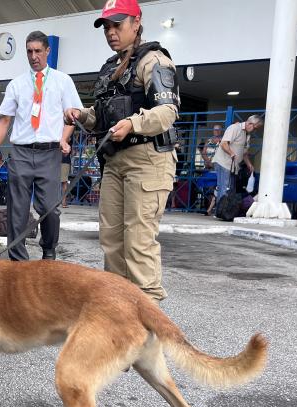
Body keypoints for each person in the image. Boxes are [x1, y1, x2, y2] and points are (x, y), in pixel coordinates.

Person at [64, 0, 178, 302]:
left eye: (118, 24)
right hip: (114, 162)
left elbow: (167, 111)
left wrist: (134, 123)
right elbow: (103, 117)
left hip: (148, 161)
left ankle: (149, 332)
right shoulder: (110, 68)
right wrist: (82, 114)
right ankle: (117, 319)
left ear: (136, 22)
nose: (111, 32)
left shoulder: (153, 60)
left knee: (138, 244)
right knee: (112, 242)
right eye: (107, 27)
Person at [0, 31, 83, 260]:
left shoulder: (63, 81)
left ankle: (48, 252)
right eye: (29, 51)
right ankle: (19, 262)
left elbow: (73, 116)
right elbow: (4, 120)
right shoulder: (16, 84)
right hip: (20, 153)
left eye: (38, 51)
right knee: (16, 211)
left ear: (47, 51)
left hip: (49, 153)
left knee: (50, 209)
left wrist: (64, 138)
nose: (33, 56)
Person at [210, 115, 262, 210]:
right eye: (255, 128)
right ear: (250, 123)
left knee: (230, 189)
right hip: (224, 162)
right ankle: (221, 211)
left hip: (233, 166)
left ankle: (225, 211)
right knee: (224, 188)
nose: (255, 130)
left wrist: (249, 165)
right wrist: (232, 153)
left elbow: (244, 153)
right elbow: (223, 143)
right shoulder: (235, 128)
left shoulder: (247, 135)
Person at [201, 124, 223, 215]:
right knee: (207, 187)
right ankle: (209, 207)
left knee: (216, 188)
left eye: (218, 130)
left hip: (217, 167)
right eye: (215, 130)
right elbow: (203, 153)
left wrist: (214, 163)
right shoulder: (209, 141)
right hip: (208, 167)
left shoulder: (222, 141)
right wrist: (208, 162)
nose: (216, 131)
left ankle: (213, 208)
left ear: (221, 131)